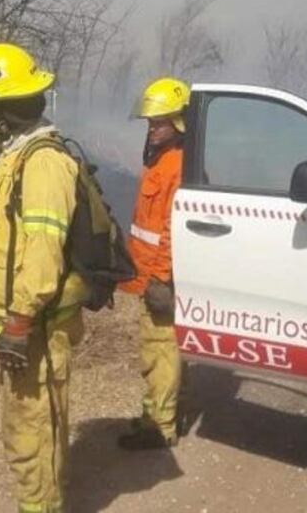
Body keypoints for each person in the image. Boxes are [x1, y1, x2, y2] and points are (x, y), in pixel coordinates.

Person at [0, 42, 86, 513]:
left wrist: (21, 320)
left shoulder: (43, 164)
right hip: (27, 324)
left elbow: (42, 257)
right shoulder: (19, 158)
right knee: (25, 425)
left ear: (0, 113)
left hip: (37, 326)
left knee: (33, 428)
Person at [117, 77, 190, 451]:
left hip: (158, 278)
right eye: (149, 122)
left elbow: (170, 229)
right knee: (158, 350)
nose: (152, 128)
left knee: (160, 351)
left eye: (158, 122)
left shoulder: (176, 165)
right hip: (146, 276)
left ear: (179, 122)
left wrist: (161, 277)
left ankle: (159, 426)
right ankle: (158, 415)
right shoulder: (162, 160)